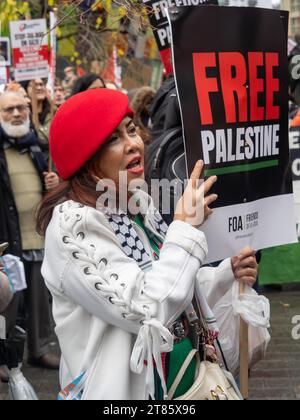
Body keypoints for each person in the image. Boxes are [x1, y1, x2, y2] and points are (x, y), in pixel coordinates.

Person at [37, 89, 257, 400]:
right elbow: (146, 309)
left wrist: (225, 273)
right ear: (87, 157)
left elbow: (168, 286)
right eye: (114, 139)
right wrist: (183, 228)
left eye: (130, 129)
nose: (133, 144)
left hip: (180, 383)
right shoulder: (74, 223)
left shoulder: (136, 202)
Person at [0, 91, 60, 371]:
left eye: (21, 108)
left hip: (36, 235)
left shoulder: (36, 148)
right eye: (9, 109)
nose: (16, 114)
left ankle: (38, 349)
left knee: (39, 303)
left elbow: (50, 193)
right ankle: (4, 359)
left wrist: (52, 183)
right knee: (7, 305)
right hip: (6, 239)